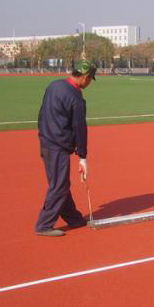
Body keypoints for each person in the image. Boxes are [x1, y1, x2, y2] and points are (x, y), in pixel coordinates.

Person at [35, 60, 97, 237]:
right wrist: (82, 157)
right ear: (85, 77)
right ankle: (44, 224)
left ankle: (73, 218)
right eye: (90, 79)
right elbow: (80, 128)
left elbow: (41, 114)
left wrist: (42, 134)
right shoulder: (75, 97)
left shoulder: (54, 85)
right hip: (58, 145)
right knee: (59, 185)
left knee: (60, 182)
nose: (89, 83)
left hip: (46, 141)